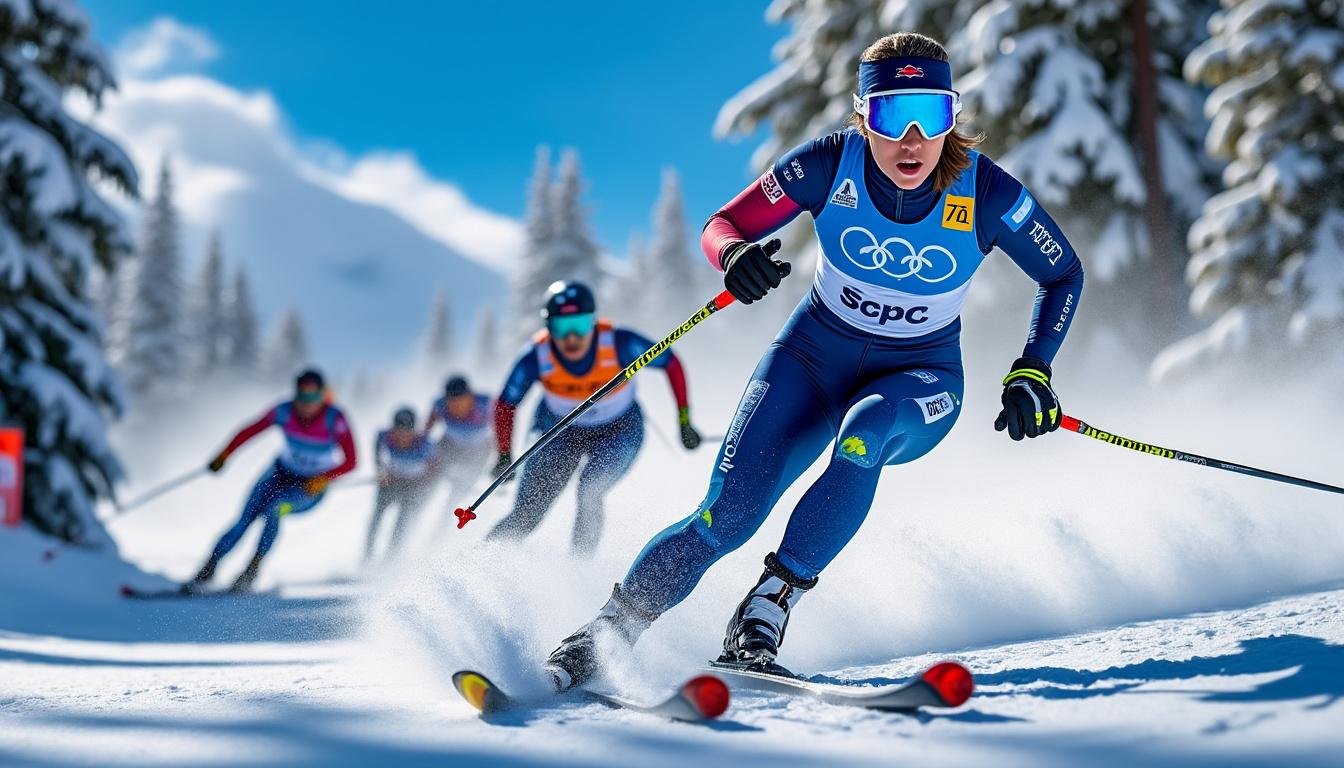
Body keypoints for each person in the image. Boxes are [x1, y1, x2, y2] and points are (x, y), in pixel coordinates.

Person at [544, 32, 1085, 690]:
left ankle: (768, 607)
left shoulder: (990, 194)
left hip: (919, 378)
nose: (911, 139)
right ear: (862, 117)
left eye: (932, 115)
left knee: (865, 436)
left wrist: (1034, 367)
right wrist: (735, 257)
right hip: (811, 358)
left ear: (952, 117)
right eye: (891, 116)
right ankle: (608, 631)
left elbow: (1062, 274)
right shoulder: (829, 166)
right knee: (726, 515)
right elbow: (724, 225)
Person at [486, 280, 704, 555]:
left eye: (580, 325)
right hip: (559, 430)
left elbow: (671, 363)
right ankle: (480, 565)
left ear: (593, 322)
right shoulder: (536, 355)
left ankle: (579, 571)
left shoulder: (619, 342)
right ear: (548, 327)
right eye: (562, 328)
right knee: (528, 510)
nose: (572, 338)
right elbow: (505, 403)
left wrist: (684, 421)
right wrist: (504, 453)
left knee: (590, 492)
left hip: (620, 430)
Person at [189, 369, 358, 592]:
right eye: (303, 396)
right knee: (246, 516)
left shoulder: (334, 419)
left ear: (323, 396)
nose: (308, 403)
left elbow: (352, 461)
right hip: (279, 475)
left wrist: (324, 478)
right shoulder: (284, 411)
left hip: (308, 488)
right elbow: (250, 430)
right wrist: (224, 454)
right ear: (296, 394)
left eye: (314, 397)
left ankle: (251, 571)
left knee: (275, 510)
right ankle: (208, 568)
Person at [365, 407, 439, 564]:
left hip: (413, 488)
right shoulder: (384, 436)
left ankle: (389, 562)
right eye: (398, 431)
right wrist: (380, 470)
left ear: (414, 431)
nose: (401, 436)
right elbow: (377, 451)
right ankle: (366, 558)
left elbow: (435, 471)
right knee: (376, 518)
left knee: (401, 523)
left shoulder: (426, 445)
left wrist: (421, 485)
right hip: (390, 483)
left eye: (406, 432)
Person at [425, 375, 493, 506]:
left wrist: (502, 454)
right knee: (432, 480)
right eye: (451, 401)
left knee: (458, 493)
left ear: (470, 397)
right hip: (449, 445)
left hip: (478, 450)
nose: (456, 406)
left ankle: (447, 519)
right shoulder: (440, 405)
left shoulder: (485, 404)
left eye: (460, 401)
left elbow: (502, 427)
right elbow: (426, 431)